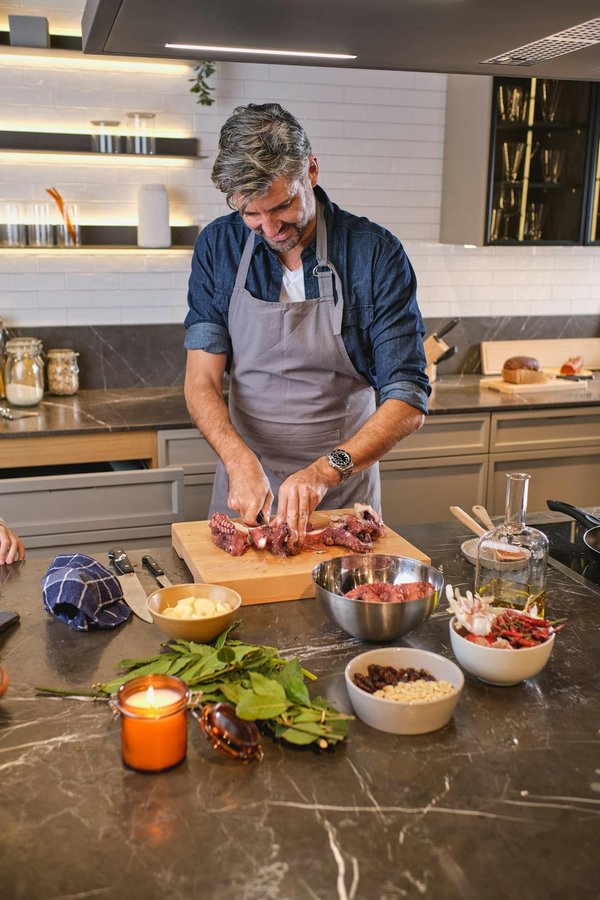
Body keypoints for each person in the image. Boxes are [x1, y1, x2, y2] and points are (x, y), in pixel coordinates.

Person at [184, 103, 429, 541]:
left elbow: (407, 400)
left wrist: (322, 472)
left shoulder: (374, 255)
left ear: (311, 171)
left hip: (339, 494)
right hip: (245, 493)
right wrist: (237, 459)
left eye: (282, 207)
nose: (270, 227)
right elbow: (200, 379)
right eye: (251, 215)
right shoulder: (218, 247)